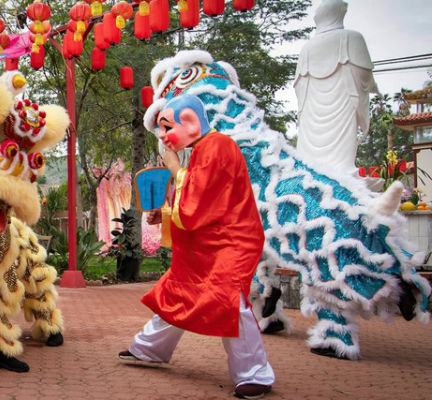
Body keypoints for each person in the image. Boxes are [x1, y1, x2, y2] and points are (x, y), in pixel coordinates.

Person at [119, 94, 275, 399]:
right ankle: (149, 348)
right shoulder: (203, 149)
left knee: (228, 298)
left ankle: (255, 373)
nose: (162, 138)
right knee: (180, 290)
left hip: (231, 240)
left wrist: (174, 165)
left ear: (189, 120)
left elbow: (197, 197)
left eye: (166, 128)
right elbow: (194, 201)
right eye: (160, 131)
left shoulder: (217, 146)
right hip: (209, 240)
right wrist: (163, 212)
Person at [294, 0, 378, 177]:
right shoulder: (352, 37)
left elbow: (299, 88)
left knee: (315, 162)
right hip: (341, 101)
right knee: (337, 164)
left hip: (318, 108)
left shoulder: (306, 48)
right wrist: (371, 86)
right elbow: (363, 74)